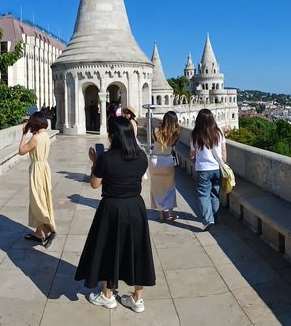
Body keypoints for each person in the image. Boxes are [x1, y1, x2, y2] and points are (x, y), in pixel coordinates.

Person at [75, 117, 155, 313]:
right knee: (137, 249)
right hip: (135, 206)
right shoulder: (142, 157)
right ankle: (137, 298)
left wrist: (95, 162)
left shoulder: (106, 158)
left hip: (112, 208)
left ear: (113, 136)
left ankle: (108, 294)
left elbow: (94, 184)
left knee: (109, 248)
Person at [18, 112, 56, 246]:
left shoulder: (36, 138)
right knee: (42, 197)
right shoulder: (46, 135)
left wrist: (23, 134)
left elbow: (21, 151)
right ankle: (39, 233)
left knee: (36, 200)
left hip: (37, 169)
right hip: (45, 167)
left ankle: (48, 229)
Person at [188, 108, 226, 230]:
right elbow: (224, 150)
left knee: (203, 195)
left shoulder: (195, 134)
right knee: (215, 194)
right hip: (217, 168)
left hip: (203, 169)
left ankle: (208, 219)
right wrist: (224, 164)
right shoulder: (218, 133)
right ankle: (214, 216)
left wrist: (194, 154)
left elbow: (192, 154)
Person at [150, 111, 180, 222]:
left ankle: (161, 214)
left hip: (155, 161)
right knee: (169, 188)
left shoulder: (156, 130)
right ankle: (171, 213)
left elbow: (155, 140)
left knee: (156, 188)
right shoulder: (176, 134)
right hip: (167, 162)